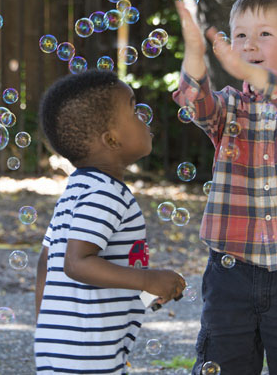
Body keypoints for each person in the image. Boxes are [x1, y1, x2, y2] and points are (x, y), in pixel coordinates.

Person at [173, 0, 277, 374]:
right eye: (240, 35)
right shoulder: (228, 108)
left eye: (264, 34)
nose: (248, 44)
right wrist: (195, 55)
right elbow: (196, 103)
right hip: (230, 271)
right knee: (223, 363)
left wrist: (248, 72)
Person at [34, 70, 186, 374]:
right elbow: (76, 263)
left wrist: (48, 324)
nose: (143, 116)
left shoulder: (78, 188)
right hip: (89, 349)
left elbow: (46, 261)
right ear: (111, 138)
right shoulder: (106, 193)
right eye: (133, 109)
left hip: (61, 343)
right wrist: (148, 280)